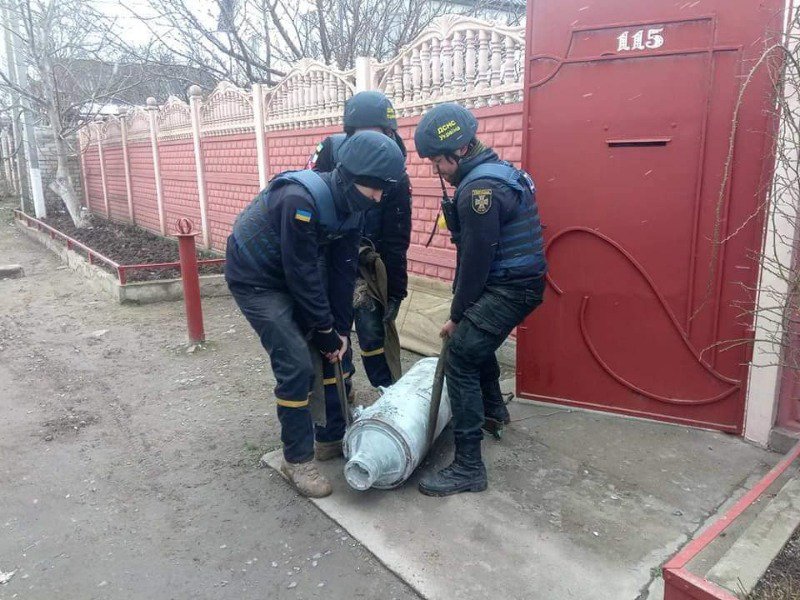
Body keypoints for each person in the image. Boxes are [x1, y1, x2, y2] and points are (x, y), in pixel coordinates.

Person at [225, 130, 406, 498]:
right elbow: (301, 273)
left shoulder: (353, 208)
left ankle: (330, 437)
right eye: (373, 189)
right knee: (296, 362)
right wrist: (322, 330)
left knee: (336, 354)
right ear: (351, 178)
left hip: (296, 272)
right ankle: (297, 459)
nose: (378, 197)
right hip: (257, 280)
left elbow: (341, 272)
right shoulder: (300, 200)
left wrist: (338, 330)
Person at [413, 103, 547, 496]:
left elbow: (475, 264)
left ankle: (468, 467)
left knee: (461, 355)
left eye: (437, 161)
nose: (436, 169)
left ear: (457, 151)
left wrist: (456, 316)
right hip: (518, 282)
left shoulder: (479, 190)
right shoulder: (501, 172)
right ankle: (492, 411)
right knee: (477, 343)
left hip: (510, 287)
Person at [307, 91, 412, 392]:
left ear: (389, 133)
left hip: (369, 263)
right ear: (348, 132)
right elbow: (311, 202)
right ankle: (341, 389)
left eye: (376, 135)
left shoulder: (395, 170)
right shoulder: (328, 152)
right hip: (330, 256)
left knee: (371, 330)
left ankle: (388, 396)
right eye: (360, 135)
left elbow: (397, 236)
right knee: (331, 331)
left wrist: (396, 288)